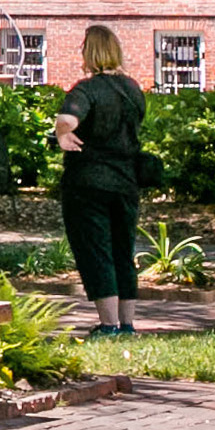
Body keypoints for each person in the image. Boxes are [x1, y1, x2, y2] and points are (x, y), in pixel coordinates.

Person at [53, 23, 147, 333]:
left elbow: (68, 118)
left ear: (89, 53)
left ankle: (107, 325)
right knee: (123, 250)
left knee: (96, 250)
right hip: (126, 180)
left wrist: (62, 133)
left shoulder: (87, 89)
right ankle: (127, 323)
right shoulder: (133, 89)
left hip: (88, 182)